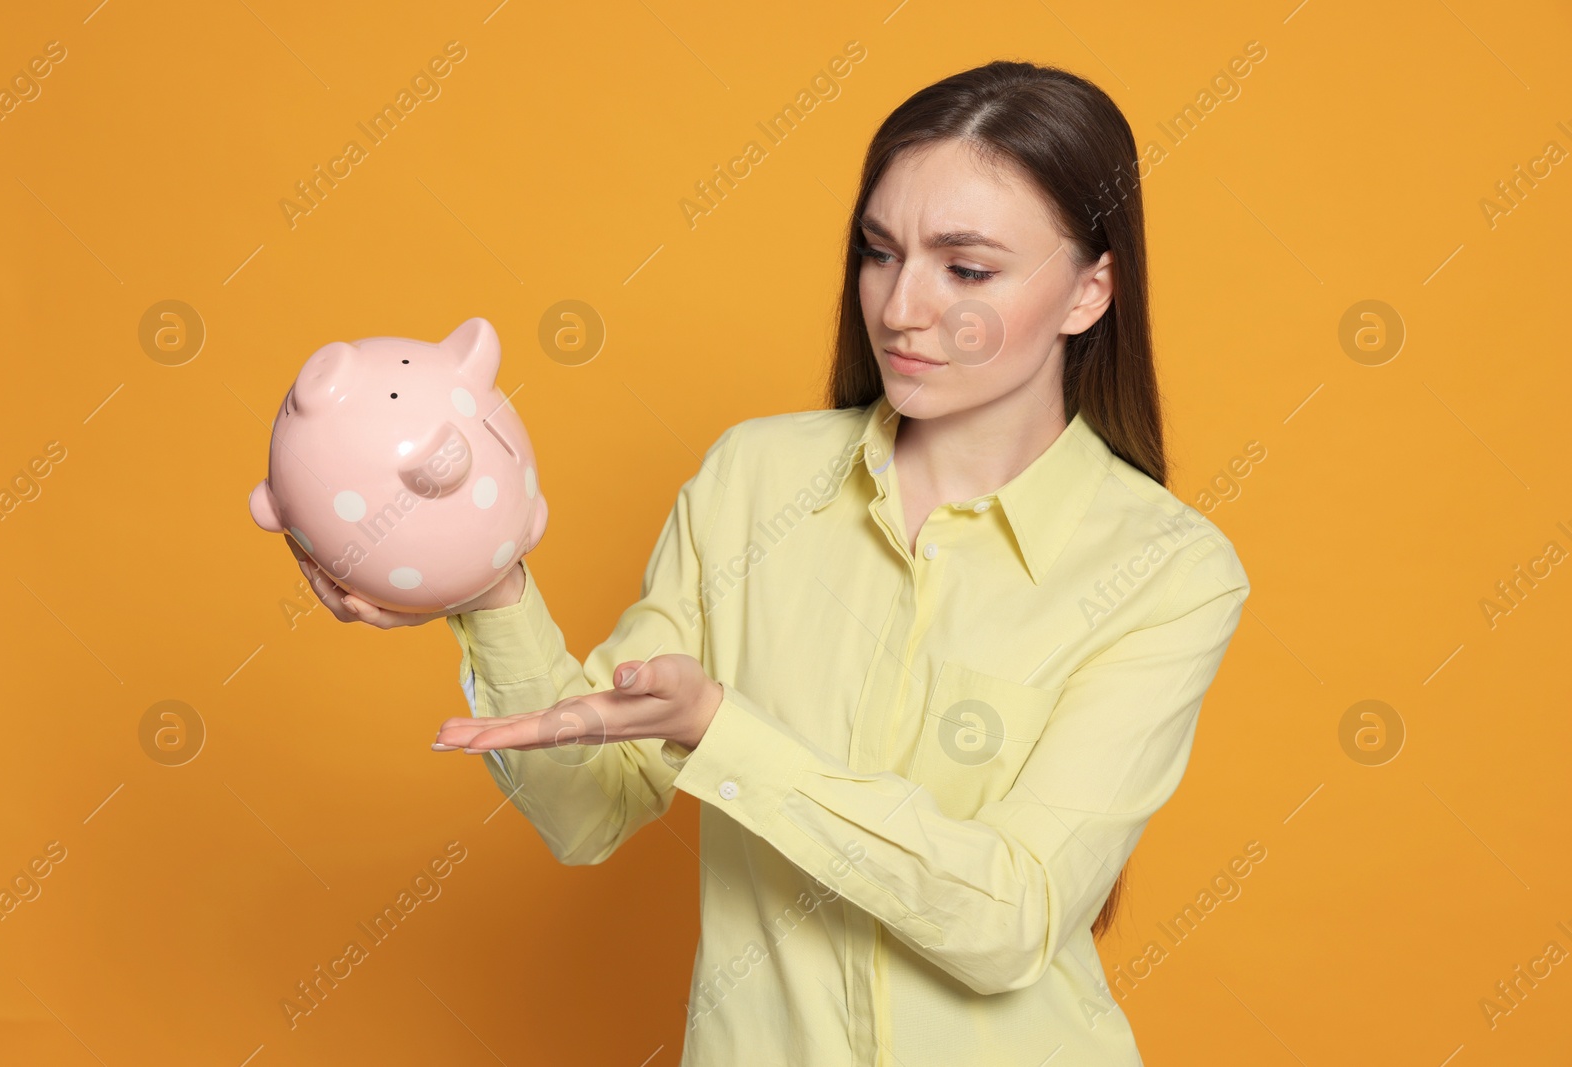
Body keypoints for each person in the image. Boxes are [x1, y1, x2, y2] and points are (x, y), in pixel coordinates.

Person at [291, 60, 1251, 1066]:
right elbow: (588, 812)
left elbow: (1010, 918)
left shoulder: (1167, 571)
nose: (900, 308)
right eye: (879, 253)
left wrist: (727, 736)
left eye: (966, 270)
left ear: (1088, 290)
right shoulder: (755, 478)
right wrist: (488, 586)